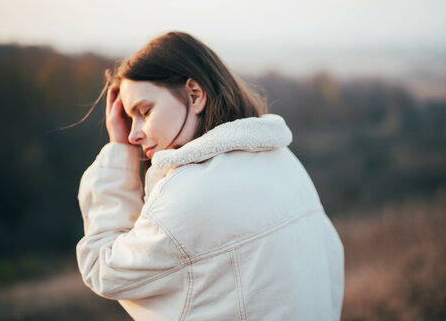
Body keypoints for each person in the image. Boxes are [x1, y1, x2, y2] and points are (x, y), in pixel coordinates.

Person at [76, 31, 344, 320]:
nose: (133, 133)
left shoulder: (187, 197)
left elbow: (103, 269)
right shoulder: (284, 162)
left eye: (144, 111)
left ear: (195, 95)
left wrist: (119, 151)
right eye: (129, 120)